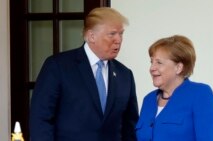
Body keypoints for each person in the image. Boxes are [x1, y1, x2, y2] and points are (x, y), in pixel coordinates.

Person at [30, 7, 139, 141]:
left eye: (121, 33)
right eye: (112, 34)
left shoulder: (125, 75)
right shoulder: (59, 66)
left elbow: (129, 127)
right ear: (91, 36)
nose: (118, 40)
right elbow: (40, 118)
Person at [136, 35, 213, 141]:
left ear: (178, 68)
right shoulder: (148, 100)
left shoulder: (200, 94)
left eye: (159, 62)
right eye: (151, 62)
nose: (152, 68)